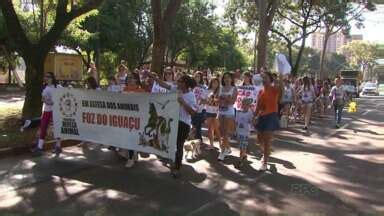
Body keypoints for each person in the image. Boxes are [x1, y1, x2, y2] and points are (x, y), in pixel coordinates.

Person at [150, 73, 198, 178]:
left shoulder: (191, 95)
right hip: (172, 121)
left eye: (180, 81)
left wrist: (183, 102)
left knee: (179, 145)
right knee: (169, 142)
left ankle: (177, 168)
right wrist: (152, 76)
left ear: (185, 84)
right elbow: (164, 85)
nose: (178, 82)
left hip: (183, 123)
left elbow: (193, 113)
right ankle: (171, 160)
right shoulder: (176, 90)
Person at [255, 71, 283, 171]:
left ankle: (265, 162)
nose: (263, 79)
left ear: (270, 79)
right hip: (262, 117)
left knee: (267, 140)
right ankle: (266, 152)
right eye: (262, 78)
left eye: (266, 77)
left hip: (271, 116)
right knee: (259, 140)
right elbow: (258, 106)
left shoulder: (274, 89)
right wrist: (255, 116)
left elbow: (281, 89)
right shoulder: (261, 91)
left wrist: (279, 77)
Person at [32, 72, 62, 156]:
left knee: (57, 128)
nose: (46, 78)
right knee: (43, 127)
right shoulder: (45, 88)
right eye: (45, 76)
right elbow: (43, 99)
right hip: (47, 110)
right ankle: (39, 147)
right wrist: (48, 102)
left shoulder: (58, 87)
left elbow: (64, 94)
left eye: (48, 76)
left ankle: (58, 146)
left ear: (52, 78)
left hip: (56, 111)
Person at [122, 72, 146, 167]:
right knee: (129, 138)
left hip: (137, 118)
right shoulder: (124, 89)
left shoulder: (141, 91)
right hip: (126, 117)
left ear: (136, 79)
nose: (129, 79)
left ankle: (131, 158)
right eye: (128, 77)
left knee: (131, 137)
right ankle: (133, 155)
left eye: (131, 77)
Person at [217, 72, 238, 161]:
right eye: (225, 78)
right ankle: (228, 148)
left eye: (228, 78)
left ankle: (223, 151)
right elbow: (217, 99)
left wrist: (224, 98)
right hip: (220, 112)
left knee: (225, 133)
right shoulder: (220, 88)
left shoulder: (234, 89)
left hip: (229, 113)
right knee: (222, 132)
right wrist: (219, 99)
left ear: (231, 79)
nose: (227, 79)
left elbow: (232, 102)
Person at [203, 76, 221, 150]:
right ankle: (211, 145)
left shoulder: (220, 91)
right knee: (210, 129)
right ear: (211, 83)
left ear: (218, 84)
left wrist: (212, 101)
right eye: (213, 82)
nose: (215, 84)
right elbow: (204, 100)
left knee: (217, 129)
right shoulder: (207, 90)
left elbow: (219, 102)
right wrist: (207, 101)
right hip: (208, 111)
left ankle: (221, 144)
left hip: (217, 112)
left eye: (216, 83)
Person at [235, 98, 253, 168]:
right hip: (239, 132)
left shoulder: (250, 113)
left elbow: (251, 121)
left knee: (242, 146)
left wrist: (252, 121)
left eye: (247, 105)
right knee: (241, 146)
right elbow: (236, 122)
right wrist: (235, 131)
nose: (244, 106)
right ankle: (244, 155)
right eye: (243, 104)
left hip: (245, 133)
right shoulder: (238, 112)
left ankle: (240, 160)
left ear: (249, 106)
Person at [191, 71, 207, 143]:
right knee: (192, 123)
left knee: (198, 125)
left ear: (201, 78)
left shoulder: (204, 87)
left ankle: (199, 139)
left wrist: (202, 102)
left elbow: (206, 98)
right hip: (191, 107)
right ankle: (194, 138)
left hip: (200, 108)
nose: (196, 78)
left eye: (198, 76)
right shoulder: (190, 86)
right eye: (195, 76)